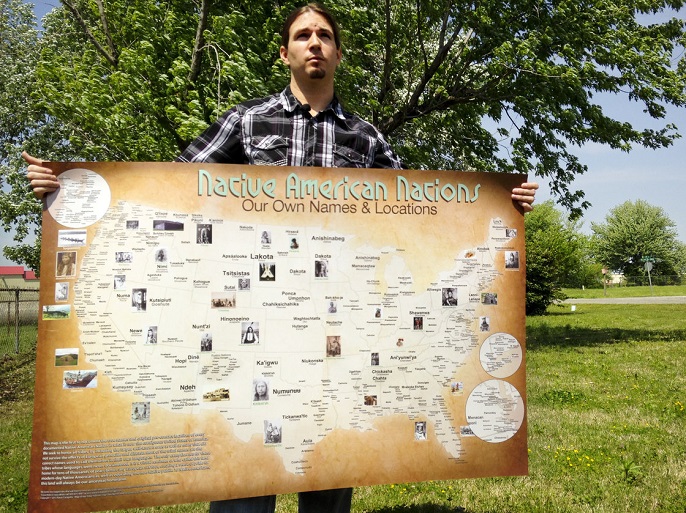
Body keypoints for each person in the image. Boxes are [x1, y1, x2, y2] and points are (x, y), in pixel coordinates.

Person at [24, 4, 537, 512]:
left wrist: (502, 207)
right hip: (256, 324)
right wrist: (67, 191)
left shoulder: (367, 137)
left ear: (338, 53)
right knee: (245, 479)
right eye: (303, 35)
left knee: (332, 465)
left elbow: (422, 211)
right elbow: (172, 184)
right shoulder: (247, 122)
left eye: (324, 36)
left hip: (344, 328)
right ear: (285, 53)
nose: (314, 43)